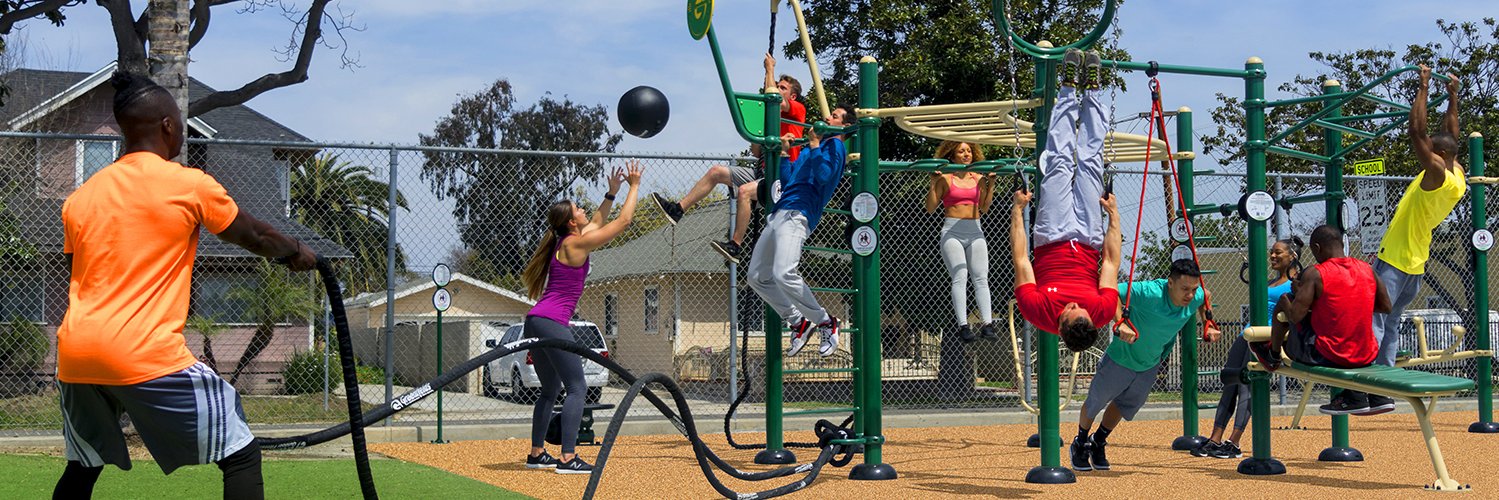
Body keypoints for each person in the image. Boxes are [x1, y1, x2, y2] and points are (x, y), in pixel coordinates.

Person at [53, 72, 318, 500]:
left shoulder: (81, 197)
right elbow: (254, 235)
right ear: (167, 126)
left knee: (83, 465)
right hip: (142, 352)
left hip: (77, 354)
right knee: (240, 452)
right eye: (179, 123)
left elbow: (78, 275)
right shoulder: (187, 184)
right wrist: (296, 250)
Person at [520, 162, 644, 474]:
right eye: (578, 208)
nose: (583, 209)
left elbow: (598, 220)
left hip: (536, 319)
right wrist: (634, 186)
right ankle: (567, 457)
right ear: (571, 221)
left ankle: (537, 453)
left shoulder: (568, 240)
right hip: (552, 322)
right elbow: (624, 222)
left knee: (550, 389)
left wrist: (611, 193)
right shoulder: (575, 243)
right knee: (577, 387)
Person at [1368, 65, 1466, 413]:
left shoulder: (1436, 173)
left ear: (1439, 156)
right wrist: (1452, 95)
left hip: (1396, 258)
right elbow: (1450, 133)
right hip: (1416, 262)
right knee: (1391, 321)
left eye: (1431, 152)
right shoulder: (1457, 173)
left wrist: (1423, 86)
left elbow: (1416, 131)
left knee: (1374, 319)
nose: (1427, 154)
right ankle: (1383, 388)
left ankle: (1366, 385)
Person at [1011, 48, 1121, 353]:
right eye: (1080, 307)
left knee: (1059, 162)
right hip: (1089, 237)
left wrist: (1018, 211)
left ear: (1060, 328)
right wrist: (1113, 215)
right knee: (1090, 162)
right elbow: (1111, 261)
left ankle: (1069, 87)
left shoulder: (1036, 310)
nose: (1074, 304)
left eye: (1070, 309)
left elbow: (1021, 259)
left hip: (1051, 234)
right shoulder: (1101, 311)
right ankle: (1093, 90)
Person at [651, 53, 810, 264]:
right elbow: (757, 152)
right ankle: (677, 209)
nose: (778, 89)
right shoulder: (771, 119)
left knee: (744, 192)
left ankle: (735, 245)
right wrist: (759, 132)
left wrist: (769, 70)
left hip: (782, 176)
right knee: (716, 172)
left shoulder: (797, 110)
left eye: (783, 88)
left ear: (793, 96)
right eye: (778, 86)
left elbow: (775, 100)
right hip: (764, 171)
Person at [1071, 260, 1221, 472]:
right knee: (1096, 402)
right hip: (1121, 358)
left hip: (1150, 363)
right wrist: (1120, 322)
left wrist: (1208, 323)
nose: (1190, 295)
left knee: (1125, 405)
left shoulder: (1196, 296)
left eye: (1193, 289)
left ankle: (1098, 441)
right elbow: (1111, 292)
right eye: (1185, 289)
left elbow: (1206, 296)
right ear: (1170, 283)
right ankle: (1080, 442)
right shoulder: (1149, 292)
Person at [749, 103, 856, 357]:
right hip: (780, 212)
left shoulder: (836, 147)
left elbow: (824, 175)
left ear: (845, 126)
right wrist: (785, 155)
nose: (827, 117)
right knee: (756, 277)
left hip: (799, 214)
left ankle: (826, 322)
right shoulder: (811, 148)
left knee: (783, 272)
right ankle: (798, 322)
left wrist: (816, 145)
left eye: (835, 116)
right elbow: (788, 182)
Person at [1253, 225, 1393, 416]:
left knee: (1285, 299)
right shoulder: (1367, 269)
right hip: (1366, 354)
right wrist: (1351, 302)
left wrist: (1291, 298)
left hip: (1327, 356)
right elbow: (1386, 306)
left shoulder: (1316, 273)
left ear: (1317, 248)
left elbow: (1295, 316)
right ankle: (1359, 396)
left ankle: (1273, 355)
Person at [1194, 236, 1302, 459]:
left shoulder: (1296, 283)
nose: (1272, 256)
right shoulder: (1270, 282)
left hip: (1265, 336)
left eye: (1278, 252)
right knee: (1230, 381)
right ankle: (1215, 439)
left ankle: (1234, 442)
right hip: (1247, 333)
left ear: (1292, 256)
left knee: (1246, 386)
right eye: (1271, 252)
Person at [925, 141, 1000, 343]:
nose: (966, 154)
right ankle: (963, 326)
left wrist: (991, 185)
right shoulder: (945, 178)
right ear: (953, 155)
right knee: (960, 275)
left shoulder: (978, 178)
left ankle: (987, 324)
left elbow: (985, 208)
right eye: (961, 151)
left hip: (975, 230)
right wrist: (933, 183)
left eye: (968, 151)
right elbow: (930, 208)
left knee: (981, 277)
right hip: (952, 231)